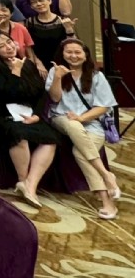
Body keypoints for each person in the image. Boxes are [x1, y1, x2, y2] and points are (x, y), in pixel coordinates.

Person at [0, 31, 60, 209]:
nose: (8, 48)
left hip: (29, 112)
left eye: (9, 43)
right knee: (18, 134)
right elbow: (6, 94)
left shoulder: (27, 64)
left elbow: (41, 94)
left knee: (50, 139)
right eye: (2, 46)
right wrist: (15, 71)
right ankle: (22, 178)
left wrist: (37, 115)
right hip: (3, 113)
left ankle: (30, 184)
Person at [45, 38, 121, 220]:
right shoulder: (55, 71)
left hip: (92, 122)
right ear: (62, 54)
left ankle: (106, 198)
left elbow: (104, 107)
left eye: (77, 52)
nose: (73, 56)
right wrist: (58, 77)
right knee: (73, 125)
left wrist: (82, 118)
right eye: (69, 52)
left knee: (80, 153)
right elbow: (55, 99)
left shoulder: (96, 76)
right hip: (61, 117)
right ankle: (106, 176)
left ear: (86, 55)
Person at [24, 0, 77, 73]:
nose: (39, 4)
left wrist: (69, 29)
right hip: (40, 65)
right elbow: (29, 46)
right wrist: (37, 62)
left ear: (49, 0)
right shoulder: (30, 22)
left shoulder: (62, 20)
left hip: (62, 62)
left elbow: (74, 44)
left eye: (41, 0)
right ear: (31, 6)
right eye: (34, 2)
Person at [0, 0, 40, 67]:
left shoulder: (20, 28)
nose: (0, 13)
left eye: (4, 10)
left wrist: (31, 67)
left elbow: (29, 52)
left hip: (22, 65)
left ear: (11, 13)